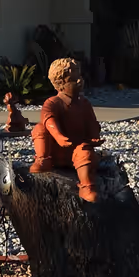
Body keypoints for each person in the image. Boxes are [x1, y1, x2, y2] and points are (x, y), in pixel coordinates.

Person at [30, 56, 103, 201]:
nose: (79, 81)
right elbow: (48, 118)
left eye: (80, 77)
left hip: (76, 149)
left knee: (85, 153)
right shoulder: (53, 102)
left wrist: (94, 136)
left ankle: (86, 186)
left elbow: (92, 123)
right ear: (61, 83)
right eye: (73, 80)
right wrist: (58, 136)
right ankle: (42, 159)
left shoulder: (84, 104)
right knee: (40, 128)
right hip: (55, 150)